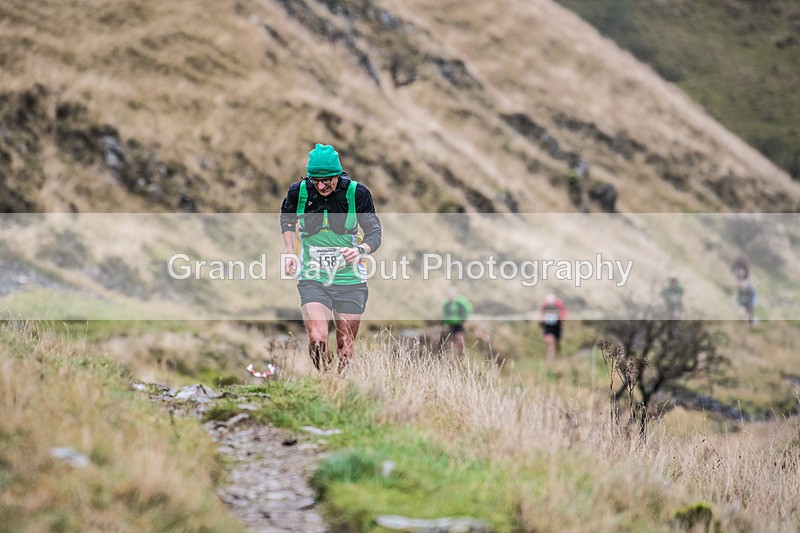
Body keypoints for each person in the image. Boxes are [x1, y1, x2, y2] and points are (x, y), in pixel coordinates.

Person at [280, 143, 381, 371]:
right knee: (317, 338)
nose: (322, 185)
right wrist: (290, 252)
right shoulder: (299, 192)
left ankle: (338, 387)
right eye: (316, 180)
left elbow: (375, 232)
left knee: (345, 346)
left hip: (351, 281)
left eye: (327, 180)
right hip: (313, 279)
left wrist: (360, 250)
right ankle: (325, 379)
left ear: (338, 175)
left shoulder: (358, 194)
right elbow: (287, 219)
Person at [441, 286, 472, 356]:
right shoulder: (447, 302)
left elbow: (468, 309)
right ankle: (454, 352)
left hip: (460, 323)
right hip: (451, 323)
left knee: (459, 337)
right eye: (450, 294)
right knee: (452, 338)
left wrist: (463, 319)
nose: (451, 296)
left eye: (452, 294)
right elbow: (445, 312)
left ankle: (460, 352)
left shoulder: (460, 301)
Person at [539, 293, 567, 359]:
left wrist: (562, 319)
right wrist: (542, 319)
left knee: (558, 341)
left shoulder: (559, 304)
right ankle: (550, 357)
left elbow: (564, 313)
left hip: (557, 325)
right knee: (549, 340)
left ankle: (558, 354)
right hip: (548, 325)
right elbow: (541, 313)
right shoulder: (544, 305)